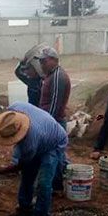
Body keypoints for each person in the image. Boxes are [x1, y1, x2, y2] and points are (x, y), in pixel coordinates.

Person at [0, 102, 68, 216]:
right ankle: (25, 207)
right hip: (42, 134)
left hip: (54, 143)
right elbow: (3, 123)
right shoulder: (13, 108)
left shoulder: (29, 141)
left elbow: (21, 166)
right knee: (27, 175)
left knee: (44, 183)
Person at [38, 47, 71, 191]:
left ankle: (56, 186)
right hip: (52, 120)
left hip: (54, 122)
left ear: (53, 60)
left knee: (54, 155)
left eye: (44, 61)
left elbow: (55, 104)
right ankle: (58, 183)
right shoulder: (51, 74)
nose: (41, 65)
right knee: (57, 154)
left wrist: (47, 125)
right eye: (40, 62)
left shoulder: (58, 76)